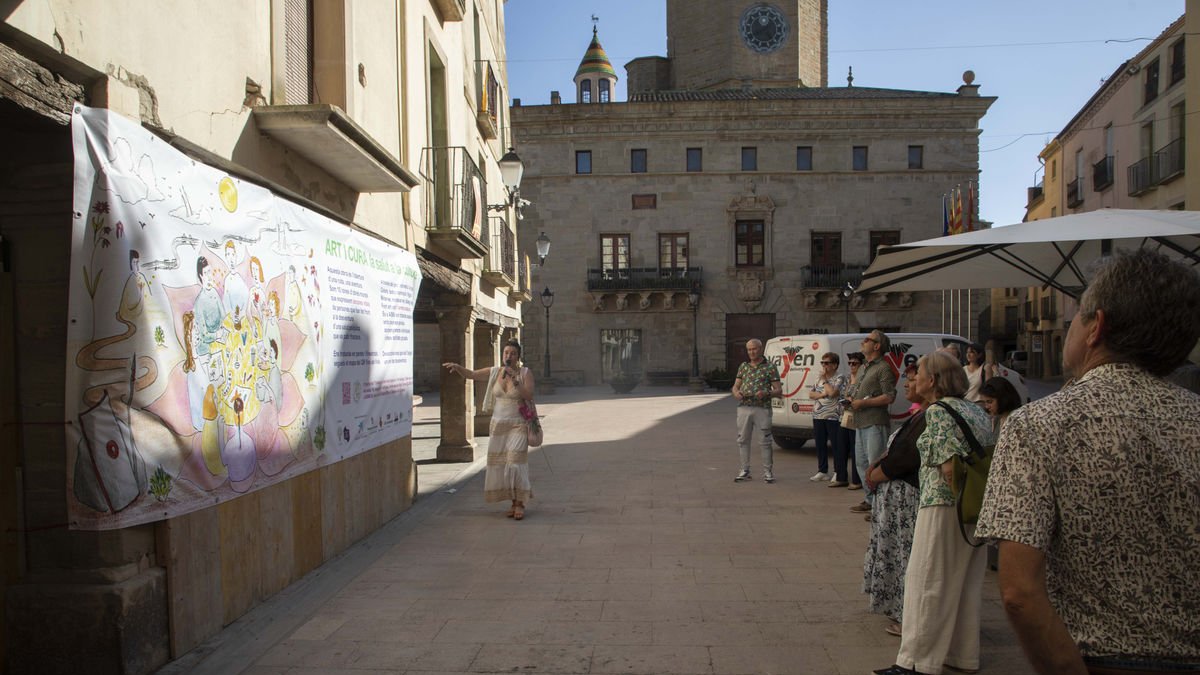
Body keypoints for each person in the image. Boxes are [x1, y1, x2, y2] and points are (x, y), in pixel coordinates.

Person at [976, 249, 1200, 675]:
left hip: (1095, 658)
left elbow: (1019, 590)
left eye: (1078, 314)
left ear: (1096, 327)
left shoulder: (1039, 425)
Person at [874, 350, 994, 675]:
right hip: (975, 505)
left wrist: (953, 500)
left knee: (927, 579)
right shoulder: (976, 410)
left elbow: (947, 467)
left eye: (921, 372)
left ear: (934, 380)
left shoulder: (939, 412)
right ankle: (962, 654)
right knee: (966, 583)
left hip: (943, 505)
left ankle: (915, 661)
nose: (915, 378)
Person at [862, 363, 927, 638]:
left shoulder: (931, 417)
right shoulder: (919, 414)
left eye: (913, 380)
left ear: (933, 382)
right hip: (895, 504)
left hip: (907, 502)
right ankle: (895, 606)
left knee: (906, 559)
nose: (906, 384)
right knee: (896, 557)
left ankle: (907, 615)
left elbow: (907, 458)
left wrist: (878, 473)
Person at [443, 340, 537, 520]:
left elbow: (529, 395)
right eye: (506, 353)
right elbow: (471, 374)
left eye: (513, 353)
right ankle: (512, 500)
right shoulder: (495, 372)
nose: (508, 356)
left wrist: (516, 381)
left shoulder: (525, 373)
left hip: (518, 423)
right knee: (502, 465)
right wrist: (457, 367)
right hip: (498, 425)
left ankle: (520, 502)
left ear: (518, 357)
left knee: (515, 463)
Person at [848, 330, 897, 513]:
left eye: (867, 339)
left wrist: (864, 402)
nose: (863, 341)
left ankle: (880, 504)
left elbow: (889, 396)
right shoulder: (863, 367)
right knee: (861, 463)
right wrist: (851, 398)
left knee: (874, 464)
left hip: (875, 422)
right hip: (860, 421)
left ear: (877, 346)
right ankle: (869, 500)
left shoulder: (883, 367)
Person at [732, 338, 781, 483]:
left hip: (762, 408)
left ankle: (768, 472)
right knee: (742, 440)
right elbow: (736, 385)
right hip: (744, 407)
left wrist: (766, 393)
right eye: (749, 349)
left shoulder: (770, 367)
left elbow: (778, 389)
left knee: (765, 441)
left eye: (754, 349)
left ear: (761, 349)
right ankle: (744, 470)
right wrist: (736, 393)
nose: (751, 352)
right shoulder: (743, 366)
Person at [807, 352, 846, 482]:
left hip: (833, 416)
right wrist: (823, 395)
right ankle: (822, 470)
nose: (824, 366)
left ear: (835, 365)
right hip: (818, 415)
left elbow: (833, 393)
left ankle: (837, 471)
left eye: (827, 363)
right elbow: (811, 394)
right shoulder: (819, 378)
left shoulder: (840, 377)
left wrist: (825, 382)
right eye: (822, 363)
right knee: (820, 444)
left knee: (836, 445)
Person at [833, 352, 865, 489]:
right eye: (850, 363)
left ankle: (857, 480)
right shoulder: (847, 378)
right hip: (844, 415)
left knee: (855, 449)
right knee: (841, 447)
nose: (852, 366)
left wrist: (853, 400)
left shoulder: (863, 379)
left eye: (855, 363)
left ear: (861, 365)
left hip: (857, 416)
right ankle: (841, 477)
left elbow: (864, 396)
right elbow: (840, 393)